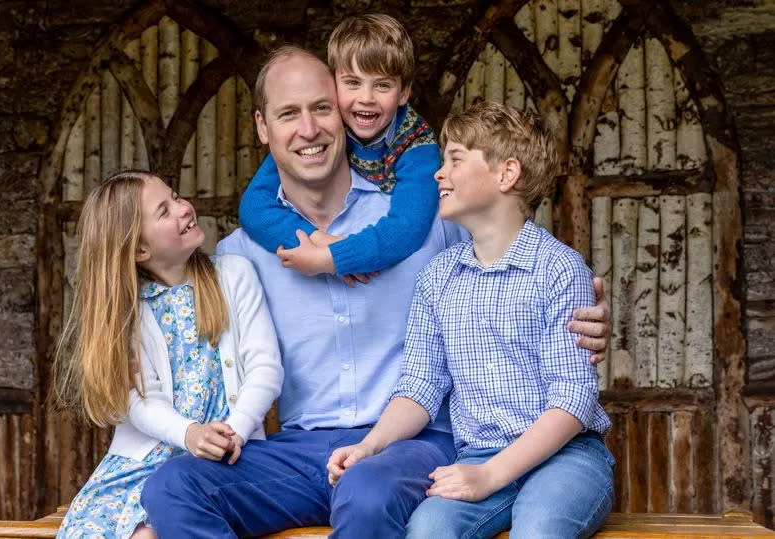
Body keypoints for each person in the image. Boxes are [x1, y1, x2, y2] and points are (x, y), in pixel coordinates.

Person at [141, 48, 611, 539]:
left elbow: (511, 259)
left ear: (344, 114)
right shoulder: (242, 255)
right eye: (288, 114)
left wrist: (590, 316)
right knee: (172, 487)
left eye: (322, 108)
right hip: (302, 451)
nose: (309, 129)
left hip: (413, 445)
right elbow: (157, 328)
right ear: (263, 127)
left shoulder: (423, 222)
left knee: (368, 493)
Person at [327, 101, 615, 539]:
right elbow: (420, 388)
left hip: (567, 456)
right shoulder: (438, 278)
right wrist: (370, 445)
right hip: (478, 454)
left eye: (455, 160)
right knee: (427, 530)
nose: (438, 173)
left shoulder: (559, 270)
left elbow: (573, 399)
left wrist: (492, 476)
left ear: (507, 174)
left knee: (538, 531)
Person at [52, 170, 283, 538]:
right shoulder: (129, 311)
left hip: (223, 458)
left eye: (175, 196)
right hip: (141, 463)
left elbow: (265, 367)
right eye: (164, 211)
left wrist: (236, 430)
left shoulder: (234, 275)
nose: (183, 208)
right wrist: (188, 433)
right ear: (140, 250)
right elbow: (140, 400)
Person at [238, 14, 439, 281]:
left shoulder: (417, 146)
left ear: (403, 93)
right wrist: (316, 239)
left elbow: (407, 229)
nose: (365, 99)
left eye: (382, 85)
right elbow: (254, 208)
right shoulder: (329, 128)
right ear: (333, 84)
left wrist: (335, 258)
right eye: (353, 83)